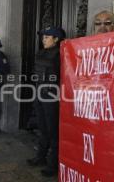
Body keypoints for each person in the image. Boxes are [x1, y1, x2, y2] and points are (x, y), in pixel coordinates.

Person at [26, 27, 65, 177]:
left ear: (56, 39)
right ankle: (40, 157)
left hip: (52, 97)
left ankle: (53, 164)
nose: (43, 39)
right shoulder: (41, 53)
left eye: (47, 37)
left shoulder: (61, 54)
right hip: (39, 94)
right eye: (43, 37)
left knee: (53, 131)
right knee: (42, 128)